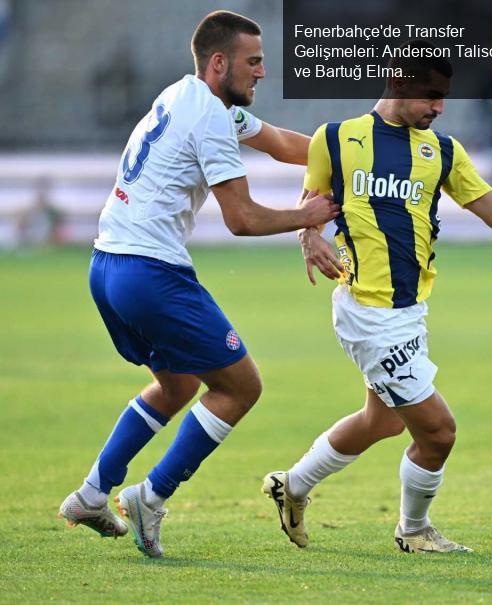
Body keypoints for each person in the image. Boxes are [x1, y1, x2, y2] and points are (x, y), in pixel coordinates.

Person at [261, 40, 492, 553]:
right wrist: (307, 236)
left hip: (409, 311)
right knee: (439, 434)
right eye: (432, 96)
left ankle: (291, 486)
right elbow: (313, 201)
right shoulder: (334, 139)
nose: (439, 108)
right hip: (366, 312)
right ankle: (414, 529)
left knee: (378, 422)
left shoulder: (442, 152)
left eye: (444, 98)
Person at [57, 10, 338, 558]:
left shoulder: (186, 95)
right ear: (219, 62)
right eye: (253, 62)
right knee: (241, 386)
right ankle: (152, 496)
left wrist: (349, 150)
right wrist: (309, 216)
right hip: (150, 272)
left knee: (178, 384)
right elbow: (243, 219)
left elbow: (281, 142)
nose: (261, 73)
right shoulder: (211, 119)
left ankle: (92, 493)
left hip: (107, 264)